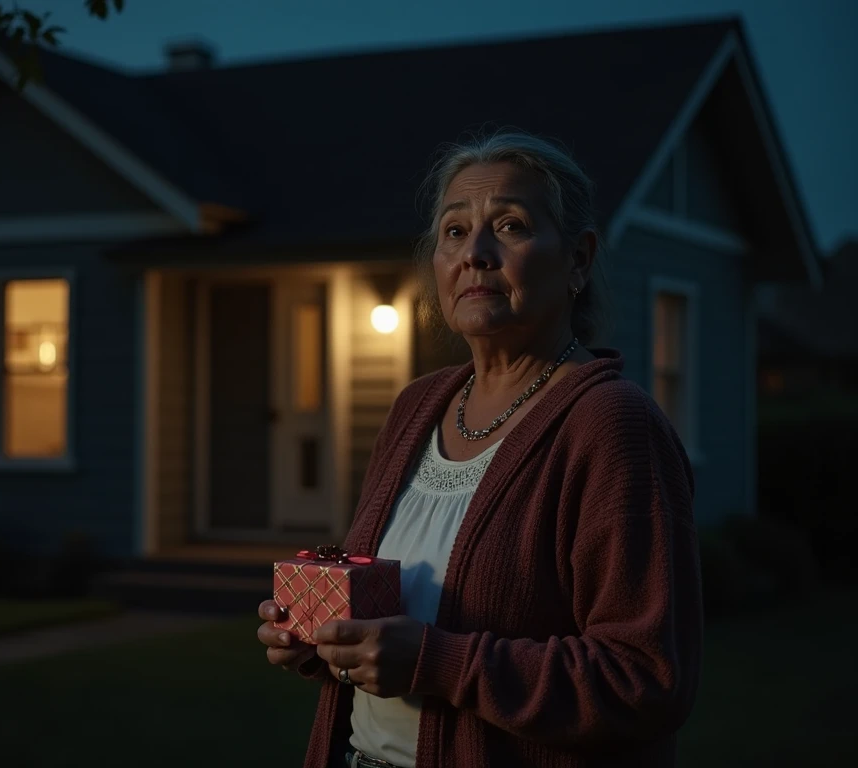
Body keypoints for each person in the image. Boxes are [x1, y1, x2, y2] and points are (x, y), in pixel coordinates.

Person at [257, 131, 703, 768]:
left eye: (511, 226)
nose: (477, 254)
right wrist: (322, 635)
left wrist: (439, 662)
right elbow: (388, 610)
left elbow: (646, 679)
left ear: (578, 259)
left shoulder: (611, 427)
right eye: (455, 232)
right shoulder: (417, 407)